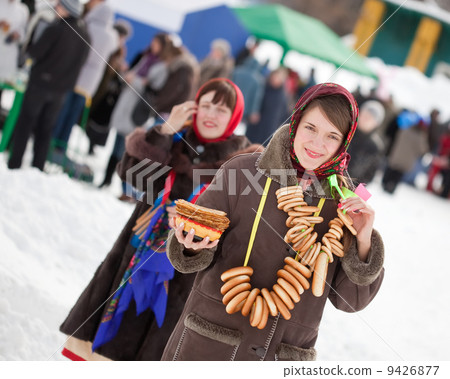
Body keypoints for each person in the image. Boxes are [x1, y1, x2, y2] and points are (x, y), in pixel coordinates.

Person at [162, 83, 385, 361]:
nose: (317, 144)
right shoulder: (241, 172)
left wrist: (363, 241)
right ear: (295, 123)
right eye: (310, 128)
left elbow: (350, 301)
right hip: (208, 345)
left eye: (332, 136)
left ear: (344, 142)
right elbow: (190, 251)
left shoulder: (345, 205)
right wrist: (190, 244)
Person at [59, 78, 263, 361]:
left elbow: (244, 224)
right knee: (112, 337)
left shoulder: (240, 163)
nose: (211, 115)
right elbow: (129, 174)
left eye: (221, 110)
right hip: (136, 254)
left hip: (185, 273)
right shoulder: (174, 142)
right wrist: (165, 131)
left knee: (157, 343)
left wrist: (196, 221)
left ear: (234, 118)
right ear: (194, 108)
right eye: (206, 106)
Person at [8, 0, 90, 171]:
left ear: (67, 10)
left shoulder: (55, 29)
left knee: (25, 124)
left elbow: (35, 52)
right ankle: (38, 166)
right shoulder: (86, 36)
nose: (56, 8)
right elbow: (81, 64)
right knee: (46, 129)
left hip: (40, 84)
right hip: (62, 91)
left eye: (59, 5)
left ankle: (14, 164)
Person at [50, 0, 118, 153]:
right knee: (73, 115)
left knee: (62, 110)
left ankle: (52, 140)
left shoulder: (88, 26)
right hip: (91, 82)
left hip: (77, 74)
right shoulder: (111, 36)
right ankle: (61, 146)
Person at [245, 66, 290, 146]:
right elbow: (254, 101)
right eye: (275, 76)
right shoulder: (263, 88)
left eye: (279, 78)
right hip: (256, 123)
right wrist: (253, 111)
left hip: (269, 128)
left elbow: (283, 114)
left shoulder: (282, 96)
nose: (276, 79)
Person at [347, 100, 385, 185]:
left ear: (376, 123)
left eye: (369, 118)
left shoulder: (375, 146)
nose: (364, 119)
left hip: (349, 187)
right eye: (363, 115)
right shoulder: (347, 131)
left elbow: (369, 174)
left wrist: (354, 189)